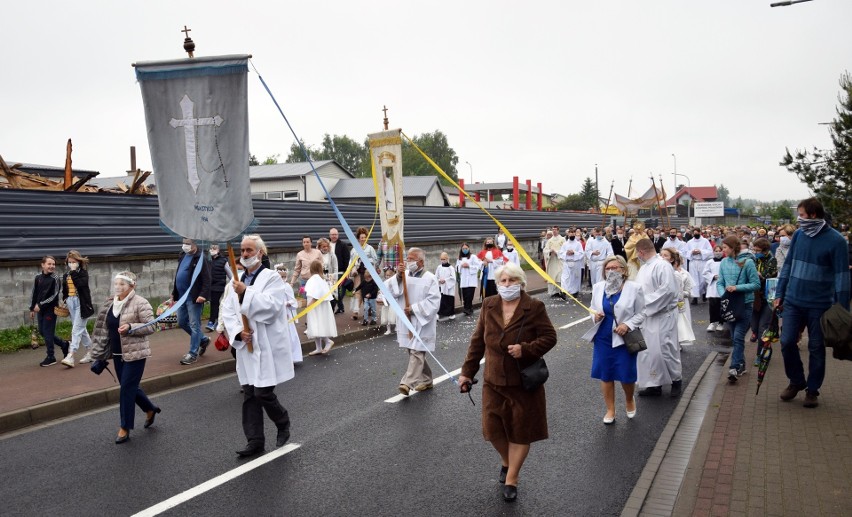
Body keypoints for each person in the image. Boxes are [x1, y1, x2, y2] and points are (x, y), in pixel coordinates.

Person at [459, 262, 557, 503]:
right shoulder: (489, 304)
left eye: (512, 280)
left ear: (521, 283)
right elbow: (477, 342)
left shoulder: (534, 307)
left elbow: (550, 337)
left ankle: (512, 477)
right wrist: (467, 373)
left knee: (521, 432)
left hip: (523, 383)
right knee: (492, 430)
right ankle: (506, 460)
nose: (507, 285)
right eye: (503, 281)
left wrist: (525, 349)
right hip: (493, 380)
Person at [222, 234, 293, 457]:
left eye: (249, 250)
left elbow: (272, 307)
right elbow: (229, 310)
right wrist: (238, 332)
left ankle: (282, 421)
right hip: (248, 344)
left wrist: (246, 292)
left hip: (266, 343)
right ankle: (255, 441)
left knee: (263, 392)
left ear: (260, 253)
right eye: (242, 250)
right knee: (250, 394)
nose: (244, 254)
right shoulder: (234, 280)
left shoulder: (272, 278)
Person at [775, 198, 850, 408]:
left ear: (814, 215)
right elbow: (788, 265)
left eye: (802, 215)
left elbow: (842, 276)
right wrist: (779, 293)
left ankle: (813, 390)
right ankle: (796, 381)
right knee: (787, 341)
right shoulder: (799, 234)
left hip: (820, 304)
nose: (799, 220)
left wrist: (842, 309)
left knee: (816, 347)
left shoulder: (836, 241)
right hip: (793, 300)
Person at [88, 271, 159, 444]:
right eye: (116, 284)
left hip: (135, 354)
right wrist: (99, 352)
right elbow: (103, 330)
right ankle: (149, 409)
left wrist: (131, 327)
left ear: (131, 286)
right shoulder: (110, 303)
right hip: (117, 355)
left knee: (126, 389)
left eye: (122, 284)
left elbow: (152, 326)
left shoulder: (140, 303)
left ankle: (125, 427)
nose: (118, 287)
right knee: (130, 388)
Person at [581, 256, 644, 424]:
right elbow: (593, 308)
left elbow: (642, 313)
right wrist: (595, 316)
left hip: (624, 338)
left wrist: (628, 324)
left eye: (615, 268)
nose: (611, 271)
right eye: (608, 268)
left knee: (626, 374)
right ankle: (610, 409)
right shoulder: (598, 287)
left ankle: (629, 400)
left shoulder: (634, 288)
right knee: (606, 374)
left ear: (623, 270)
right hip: (603, 337)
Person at [387, 247, 440, 396]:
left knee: (417, 351)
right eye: (407, 258)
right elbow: (393, 291)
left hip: (423, 321)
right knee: (413, 351)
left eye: (411, 259)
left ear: (421, 261)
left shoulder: (430, 278)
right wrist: (398, 275)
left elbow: (434, 301)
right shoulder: (404, 276)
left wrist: (415, 309)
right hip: (406, 320)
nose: (408, 261)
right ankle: (427, 380)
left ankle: (406, 383)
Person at [634, 238, 683, 397]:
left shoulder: (662, 265)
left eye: (637, 253)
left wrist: (644, 304)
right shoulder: (643, 268)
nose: (637, 256)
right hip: (647, 316)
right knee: (648, 351)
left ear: (641, 252)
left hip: (662, 315)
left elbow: (667, 291)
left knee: (665, 349)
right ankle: (654, 384)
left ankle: (676, 380)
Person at [717, 235, 761, 383]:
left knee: (738, 337)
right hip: (730, 305)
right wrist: (723, 294)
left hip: (745, 304)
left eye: (724, 247)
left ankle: (734, 367)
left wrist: (736, 288)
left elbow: (756, 284)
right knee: (735, 337)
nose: (722, 250)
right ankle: (741, 364)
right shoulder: (723, 262)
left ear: (733, 248)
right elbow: (720, 282)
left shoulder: (748, 263)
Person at [172, 238, 211, 365]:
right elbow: (178, 274)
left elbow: (207, 278)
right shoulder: (182, 255)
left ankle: (192, 353)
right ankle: (203, 340)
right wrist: (174, 293)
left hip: (194, 298)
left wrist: (203, 295)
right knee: (182, 322)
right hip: (182, 296)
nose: (185, 246)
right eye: (183, 243)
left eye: (188, 243)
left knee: (194, 325)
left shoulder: (201, 258)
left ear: (195, 244)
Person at [30, 256, 69, 367]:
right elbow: (34, 293)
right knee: (42, 332)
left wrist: (41, 304)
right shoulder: (38, 277)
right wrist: (32, 308)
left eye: (53, 264)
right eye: (49, 264)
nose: (52, 266)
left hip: (51, 310)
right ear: (43, 265)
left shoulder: (55, 278)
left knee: (47, 332)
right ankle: (64, 344)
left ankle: (51, 356)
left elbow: (54, 295)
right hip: (39, 310)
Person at [60, 250, 94, 367]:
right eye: (69, 262)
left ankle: (71, 355)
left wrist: (74, 272)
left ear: (79, 262)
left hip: (82, 303)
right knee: (81, 329)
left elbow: (81, 284)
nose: (72, 264)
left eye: (74, 262)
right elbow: (65, 289)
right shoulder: (66, 274)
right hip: (71, 302)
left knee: (76, 329)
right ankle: (91, 352)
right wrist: (65, 299)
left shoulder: (83, 273)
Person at [750, 238, 778, 361]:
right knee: (754, 328)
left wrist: (759, 275)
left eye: (758, 249)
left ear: (765, 250)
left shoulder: (772, 260)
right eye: (754, 249)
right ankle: (766, 345)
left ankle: (760, 355)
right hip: (755, 298)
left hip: (767, 298)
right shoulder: (753, 260)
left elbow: (770, 275)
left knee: (763, 328)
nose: (755, 251)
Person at [662, 249, 695, 347]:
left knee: (679, 324)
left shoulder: (682, 274)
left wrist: (680, 294)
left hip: (680, 303)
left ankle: (678, 342)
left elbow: (687, 291)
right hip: (669, 303)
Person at [305, 260, 338, 354]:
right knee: (315, 326)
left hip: (316, 306)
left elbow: (317, 293)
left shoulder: (315, 279)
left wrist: (310, 304)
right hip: (319, 305)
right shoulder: (320, 279)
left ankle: (327, 341)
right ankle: (318, 347)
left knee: (316, 325)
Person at [274, 265, 302, 364]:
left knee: (290, 336)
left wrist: (288, 303)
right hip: (277, 314)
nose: (283, 279)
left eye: (284, 276)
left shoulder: (287, 286)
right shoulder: (273, 287)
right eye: (280, 276)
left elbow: (293, 300)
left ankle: (292, 357)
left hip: (286, 314)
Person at [349, 227, 378, 320]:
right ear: (358, 238)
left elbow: (375, 260)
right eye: (361, 237)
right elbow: (351, 262)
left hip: (368, 274)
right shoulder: (354, 249)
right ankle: (356, 311)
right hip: (358, 273)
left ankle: (369, 309)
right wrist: (351, 270)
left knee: (368, 291)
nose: (363, 239)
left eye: (365, 237)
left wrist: (373, 268)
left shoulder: (370, 248)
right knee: (358, 291)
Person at [685, 229, 714, 304]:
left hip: (702, 262)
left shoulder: (705, 241)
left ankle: (703, 292)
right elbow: (685, 252)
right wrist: (692, 252)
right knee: (694, 280)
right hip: (693, 262)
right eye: (694, 233)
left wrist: (701, 251)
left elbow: (710, 251)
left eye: (697, 233)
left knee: (703, 280)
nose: (696, 234)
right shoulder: (690, 242)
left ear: (700, 233)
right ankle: (695, 297)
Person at [206, 244, 229, 332]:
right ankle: (219, 320)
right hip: (210, 286)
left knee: (214, 303)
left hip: (219, 285)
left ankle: (211, 322)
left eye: (214, 248)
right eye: (211, 248)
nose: (212, 250)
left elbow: (229, 273)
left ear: (219, 250)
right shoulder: (208, 260)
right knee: (215, 303)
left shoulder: (223, 260)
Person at [703, 245, 724, 332]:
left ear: (722, 252)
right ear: (713, 252)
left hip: (723, 285)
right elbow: (705, 273)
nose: (718, 252)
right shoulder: (709, 262)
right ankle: (712, 322)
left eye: (719, 251)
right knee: (713, 305)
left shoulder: (725, 261)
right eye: (716, 251)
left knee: (722, 305)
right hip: (713, 285)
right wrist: (713, 276)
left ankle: (721, 322)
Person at [329, 228, 350, 314]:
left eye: (335, 234)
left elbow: (347, 259)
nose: (334, 236)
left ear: (338, 235)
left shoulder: (343, 245)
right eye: (332, 234)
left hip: (340, 271)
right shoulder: (327, 244)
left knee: (338, 292)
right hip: (330, 272)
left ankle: (333, 308)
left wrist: (346, 272)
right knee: (333, 291)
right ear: (329, 235)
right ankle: (340, 307)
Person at [558, 229, 584, 298]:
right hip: (567, 263)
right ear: (568, 234)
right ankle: (563, 291)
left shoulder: (578, 244)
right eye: (570, 233)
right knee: (565, 278)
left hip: (575, 263)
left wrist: (574, 252)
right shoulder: (565, 244)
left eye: (573, 233)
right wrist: (566, 253)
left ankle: (575, 292)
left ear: (575, 234)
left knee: (575, 278)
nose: (572, 234)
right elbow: (560, 253)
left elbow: (581, 253)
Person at [457, 243, 481, 316]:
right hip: (464, 279)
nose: (465, 250)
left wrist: (469, 266)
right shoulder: (459, 258)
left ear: (469, 248)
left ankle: (468, 308)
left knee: (470, 295)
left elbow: (478, 266)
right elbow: (456, 267)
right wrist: (461, 266)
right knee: (465, 295)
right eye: (463, 249)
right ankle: (467, 308)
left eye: (466, 248)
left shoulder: (473, 257)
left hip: (471, 279)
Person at [317, 237, 339, 312]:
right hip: (321, 280)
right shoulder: (317, 255)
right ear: (319, 247)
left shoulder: (332, 255)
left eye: (327, 246)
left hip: (330, 280)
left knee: (332, 299)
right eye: (323, 246)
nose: (325, 248)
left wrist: (334, 280)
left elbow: (335, 268)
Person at [435, 252, 457, 321]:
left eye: (444, 259)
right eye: (441, 259)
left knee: (449, 300)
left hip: (449, 288)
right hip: (441, 286)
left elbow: (453, 278)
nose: (443, 260)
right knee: (441, 300)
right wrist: (439, 280)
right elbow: (436, 276)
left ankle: (451, 314)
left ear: (447, 259)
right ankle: (439, 314)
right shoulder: (439, 267)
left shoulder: (451, 268)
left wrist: (445, 280)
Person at [544, 229, 566, 299]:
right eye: (553, 230)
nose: (554, 231)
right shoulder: (550, 241)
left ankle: (561, 291)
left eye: (555, 230)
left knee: (560, 275)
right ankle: (553, 292)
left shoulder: (562, 239)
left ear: (558, 231)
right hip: (552, 261)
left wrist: (557, 252)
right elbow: (545, 250)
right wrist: (550, 251)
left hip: (560, 260)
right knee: (552, 276)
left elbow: (565, 249)